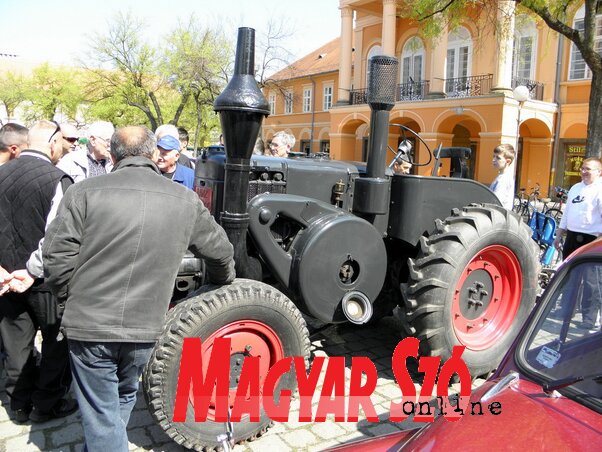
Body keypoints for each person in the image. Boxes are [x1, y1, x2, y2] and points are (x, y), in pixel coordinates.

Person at [42, 125, 235, 450]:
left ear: (114, 154)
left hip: (90, 325)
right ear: (151, 153)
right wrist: (222, 280)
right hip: (144, 327)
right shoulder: (183, 199)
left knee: (105, 409)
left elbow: (56, 262)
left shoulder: (84, 192)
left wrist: (69, 302)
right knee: (119, 398)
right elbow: (222, 252)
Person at [0, 120, 77, 423]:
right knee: (56, 343)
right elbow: (57, 237)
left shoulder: (2, 172)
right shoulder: (58, 179)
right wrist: (32, 271)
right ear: (53, 142)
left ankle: (18, 404)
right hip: (44, 281)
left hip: (7, 278)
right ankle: (46, 405)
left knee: (14, 343)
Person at [553, 157, 602, 330]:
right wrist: (559, 235)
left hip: (592, 239)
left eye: (588, 169)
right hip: (572, 237)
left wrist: (597, 242)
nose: (583, 171)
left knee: (591, 280)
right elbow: (566, 214)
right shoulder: (575, 188)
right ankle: (566, 310)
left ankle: (590, 318)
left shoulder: (600, 189)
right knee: (570, 275)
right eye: (582, 168)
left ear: (599, 171)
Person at [489, 143, 515, 210]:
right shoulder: (501, 176)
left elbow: (496, 201)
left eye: (498, 158)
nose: (493, 160)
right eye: (493, 156)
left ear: (508, 161)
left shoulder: (504, 179)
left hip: (499, 216)